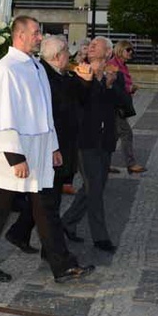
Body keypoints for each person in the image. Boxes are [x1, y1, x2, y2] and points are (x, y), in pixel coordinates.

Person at [0, 16, 93, 284]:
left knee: (46, 208)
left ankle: (62, 266)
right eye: (36, 33)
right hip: (13, 155)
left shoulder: (35, 67)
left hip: (38, 151)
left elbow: (44, 111)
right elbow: (2, 114)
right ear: (20, 35)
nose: (40, 37)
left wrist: (53, 147)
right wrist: (15, 156)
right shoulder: (7, 69)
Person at [60, 37, 120, 252]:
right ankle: (100, 237)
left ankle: (66, 222)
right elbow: (81, 102)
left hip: (106, 140)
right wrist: (93, 81)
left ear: (109, 52)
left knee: (93, 187)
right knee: (94, 188)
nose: (92, 45)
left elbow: (125, 104)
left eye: (98, 44)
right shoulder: (79, 73)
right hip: (86, 139)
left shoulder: (114, 74)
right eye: (91, 43)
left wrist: (110, 86)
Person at [109, 40, 146, 174]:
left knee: (113, 135)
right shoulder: (113, 65)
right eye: (128, 50)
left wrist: (130, 89)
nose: (131, 53)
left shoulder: (123, 66)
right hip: (115, 106)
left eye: (132, 50)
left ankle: (104, 162)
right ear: (120, 50)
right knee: (126, 133)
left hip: (121, 104)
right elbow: (114, 86)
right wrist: (129, 88)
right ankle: (131, 164)